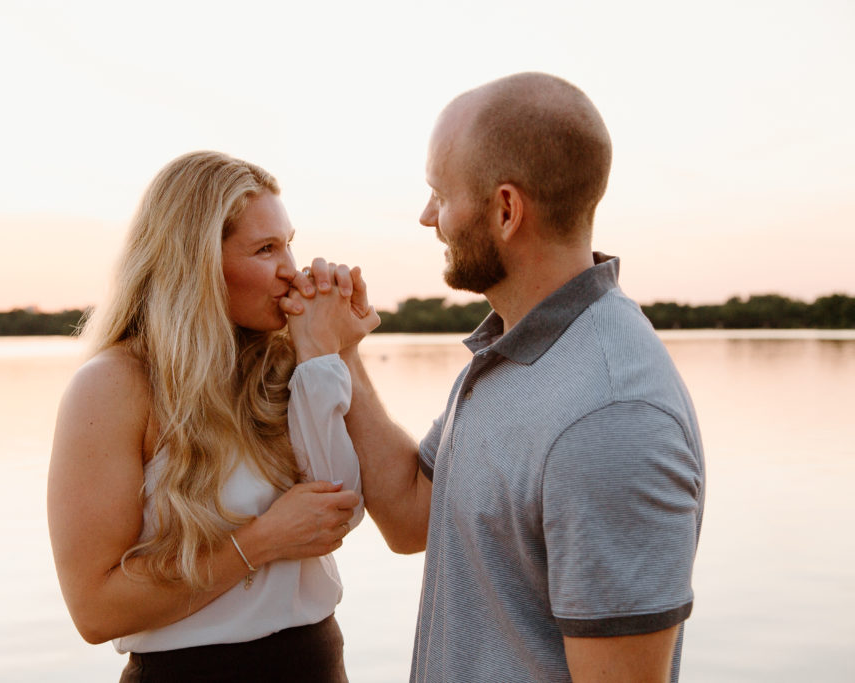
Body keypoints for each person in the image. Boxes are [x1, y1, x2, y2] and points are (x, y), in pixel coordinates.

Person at [284, 73, 706, 682]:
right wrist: (343, 352)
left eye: (439, 193)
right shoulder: (516, 352)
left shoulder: (611, 414)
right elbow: (409, 514)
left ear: (506, 209)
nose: (428, 216)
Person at [47, 151, 378, 682]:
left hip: (317, 664)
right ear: (197, 260)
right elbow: (95, 610)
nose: (291, 270)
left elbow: (338, 509)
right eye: (266, 249)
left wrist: (327, 353)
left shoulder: (285, 366)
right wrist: (262, 540)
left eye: (289, 242)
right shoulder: (114, 385)